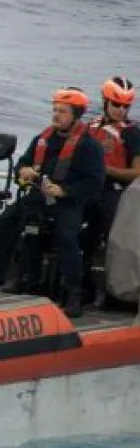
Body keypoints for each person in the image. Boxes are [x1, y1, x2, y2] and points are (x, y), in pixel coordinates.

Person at [0, 87, 106, 313]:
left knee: (66, 238)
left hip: (68, 203)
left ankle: (73, 293)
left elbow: (94, 183)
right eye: (55, 110)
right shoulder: (43, 139)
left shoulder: (89, 147)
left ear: (76, 115)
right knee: (0, 227)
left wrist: (64, 191)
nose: (56, 115)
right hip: (37, 197)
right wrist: (23, 171)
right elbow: (22, 162)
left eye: (62, 111)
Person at [81, 76, 140, 303]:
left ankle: (109, 291)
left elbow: (137, 172)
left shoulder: (132, 133)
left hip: (116, 192)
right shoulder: (89, 128)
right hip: (87, 190)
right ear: (105, 101)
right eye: (116, 105)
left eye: (126, 106)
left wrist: (105, 170)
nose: (121, 111)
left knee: (110, 230)